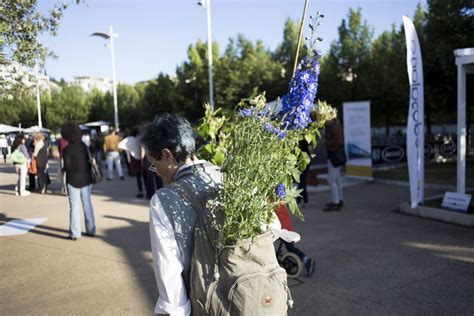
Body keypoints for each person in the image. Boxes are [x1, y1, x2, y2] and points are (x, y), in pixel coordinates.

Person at [141, 113, 221, 316]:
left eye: (153, 163)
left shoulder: (163, 200)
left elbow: (169, 274)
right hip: (246, 297)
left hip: (206, 303)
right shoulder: (225, 176)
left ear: (167, 155)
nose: (156, 171)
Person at [61, 123, 96, 241]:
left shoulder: (66, 150)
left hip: (73, 180)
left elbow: (68, 167)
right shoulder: (84, 147)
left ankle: (75, 233)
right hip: (86, 178)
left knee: (74, 206)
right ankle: (91, 229)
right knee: (87, 204)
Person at [275, 203, 315, 277]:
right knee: (289, 247)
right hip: (287, 226)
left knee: (289, 247)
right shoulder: (280, 199)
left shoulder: (271, 201)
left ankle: (306, 260)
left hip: (281, 229)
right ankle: (305, 259)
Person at [324, 118, 345, 212]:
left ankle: (336, 202)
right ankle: (339, 200)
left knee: (331, 179)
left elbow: (338, 142)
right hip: (337, 156)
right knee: (337, 180)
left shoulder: (334, 128)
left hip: (334, 157)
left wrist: (327, 143)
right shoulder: (336, 126)